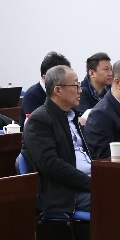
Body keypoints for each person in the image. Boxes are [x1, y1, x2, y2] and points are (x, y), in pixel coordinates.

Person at [23, 65, 91, 213]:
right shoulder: (39, 120)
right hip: (65, 193)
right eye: (75, 85)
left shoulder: (72, 117)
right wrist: (91, 183)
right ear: (58, 90)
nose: (80, 90)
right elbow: (51, 164)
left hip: (87, 182)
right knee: (118, 199)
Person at [21, 51, 71, 117]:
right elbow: (36, 121)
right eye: (60, 77)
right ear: (45, 77)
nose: (64, 81)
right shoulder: (32, 95)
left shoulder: (64, 92)